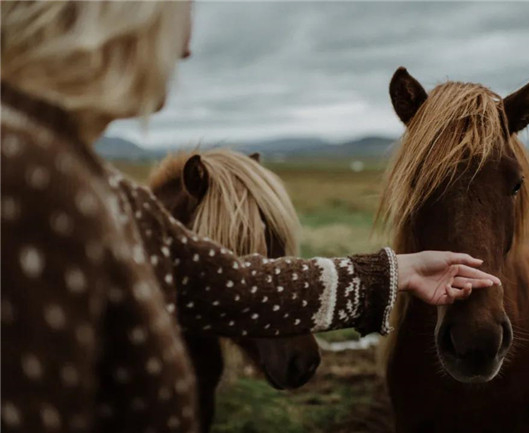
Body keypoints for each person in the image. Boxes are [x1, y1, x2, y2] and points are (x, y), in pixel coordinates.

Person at [0, 2, 501, 432]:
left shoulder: (81, 179)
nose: (186, 47)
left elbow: (223, 284)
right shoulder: (31, 181)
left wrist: (394, 273)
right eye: (179, 13)